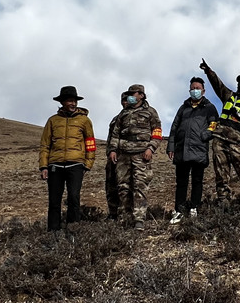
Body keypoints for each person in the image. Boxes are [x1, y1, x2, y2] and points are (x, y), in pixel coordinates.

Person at [199, 59, 240, 213]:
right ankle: (224, 204)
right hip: (220, 139)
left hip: (238, 142)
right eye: (239, 81)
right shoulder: (229, 96)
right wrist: (209, 71)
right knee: (221, 176)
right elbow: (218, 84)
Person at [38, 86, 96, 231]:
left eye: (75, 101)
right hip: (55, 165)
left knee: (74, 198)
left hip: (76, 165)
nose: (73, 103)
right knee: (54, 201)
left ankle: (73, 231)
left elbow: (90, 143)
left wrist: (87, 164)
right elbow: (45, 145)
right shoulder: (52, 121)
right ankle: (53, 233)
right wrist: (44, 166)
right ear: (62, 102)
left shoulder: (84, 121)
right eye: (70, 101)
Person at [107, 84, 163, 230]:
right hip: (123, 155)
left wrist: (151, 148)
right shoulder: (123, 113)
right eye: (129, 94)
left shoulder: (150, 112)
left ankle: (139, 219)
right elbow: (115, 134)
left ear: (141, 95)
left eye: (133, 94)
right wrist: (113, 150)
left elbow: (157, 132)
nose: (130, 96)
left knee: (140, 186)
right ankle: (124, 218)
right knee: (123, 187)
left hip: (141, 154)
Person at [166, 77, 219, 223]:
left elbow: (214, 124)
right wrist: (171, 146)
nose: (195, 90)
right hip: (182, 150)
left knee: (197, 181)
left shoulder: (209, 107)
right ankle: (179, 211)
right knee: (181, 182)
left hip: (199, 150)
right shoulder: (183, 108)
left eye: (198, 88)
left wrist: (205, 135)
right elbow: (174, 127)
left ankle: (194, 208)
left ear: (203, 91)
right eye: (193, 88)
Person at [105, 91, 129, 220]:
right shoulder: (116, 119)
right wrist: (110, 153)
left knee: (126, 187)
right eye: (123, 100)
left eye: (127, 100)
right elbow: (110, 139)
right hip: (113, 157)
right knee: (111, 186)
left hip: (128, 158)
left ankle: (126, 214)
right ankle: (113, 213)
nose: (125, 102)